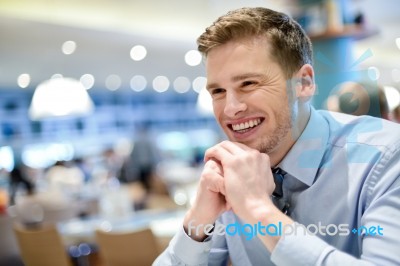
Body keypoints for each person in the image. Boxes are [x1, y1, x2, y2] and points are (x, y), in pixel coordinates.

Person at [154, 7, 400, 265]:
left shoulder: (386, 157)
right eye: (217, 91)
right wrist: (198, 220)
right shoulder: (230, 171)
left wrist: (258, 210)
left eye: (248, 84)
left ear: (304, 83)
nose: (230, 108)